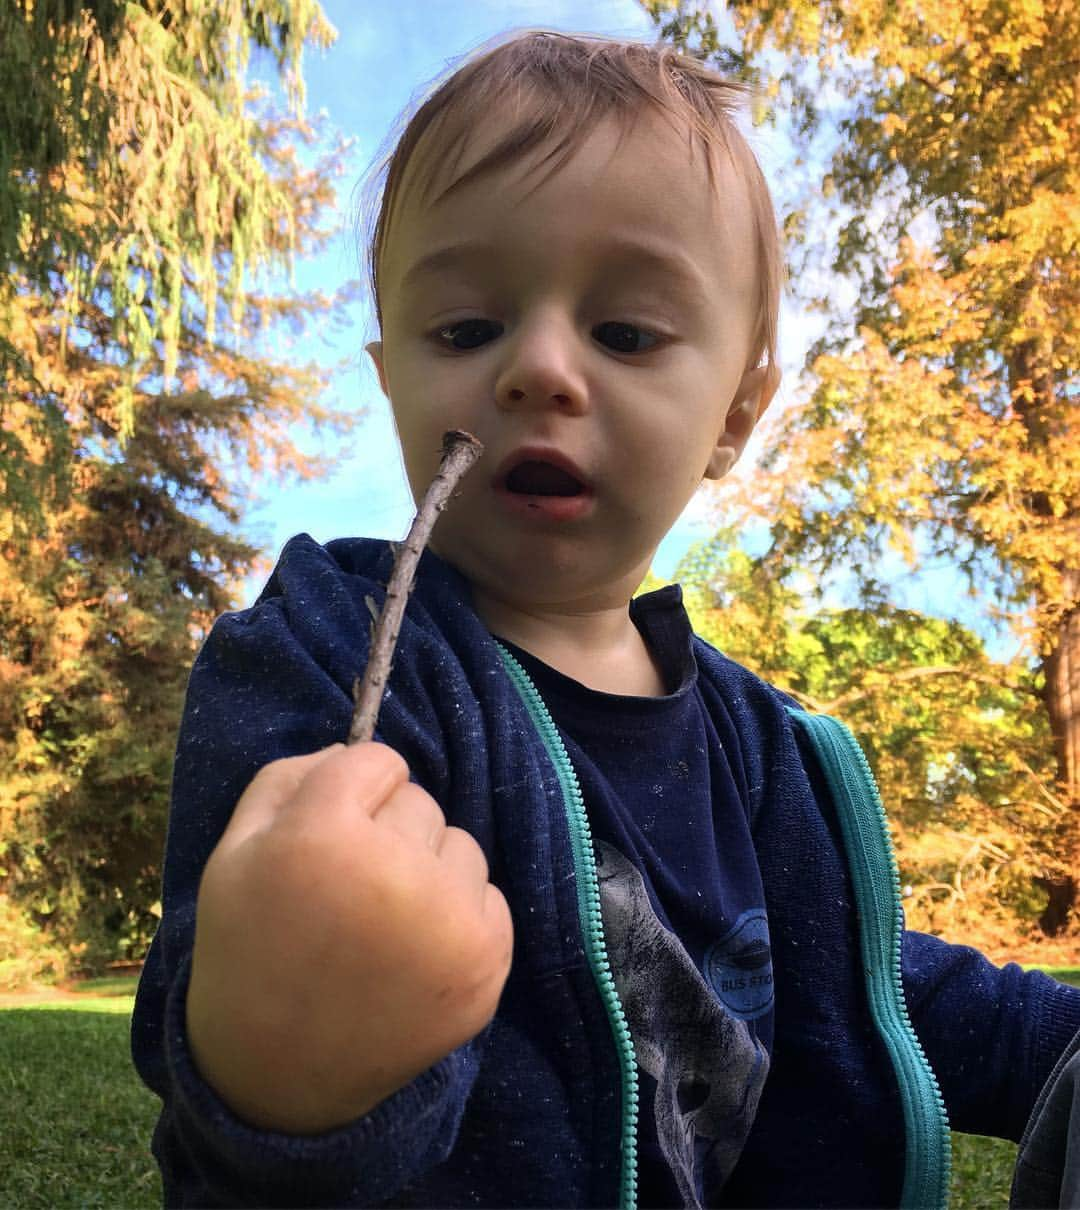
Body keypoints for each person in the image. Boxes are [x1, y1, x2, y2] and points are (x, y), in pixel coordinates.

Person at [130, 28, 1080, 1209]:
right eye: (466, 330)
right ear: (391, 378)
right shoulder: (323, 656)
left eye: (624, 334)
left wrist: (1055, 1043)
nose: (536, 368)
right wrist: (279, 1066)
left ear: (734, 416)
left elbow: (865, 990)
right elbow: (208, 1031)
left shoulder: (766, 751)